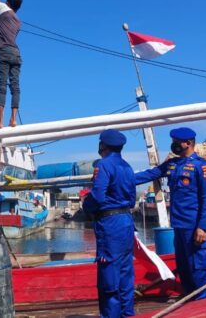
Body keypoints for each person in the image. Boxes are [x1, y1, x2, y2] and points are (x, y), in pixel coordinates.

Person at [135, 127, 206, 300]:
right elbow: (151, 174)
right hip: (178, 226)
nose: (173, 145)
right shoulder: (172, 164)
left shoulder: (202, 167)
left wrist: (203, 227)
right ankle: (190, 298)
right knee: (184, 265)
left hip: (194, 226)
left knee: (200, 266)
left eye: (177, 142)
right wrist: (122, 178)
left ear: (188, 143)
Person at [82, 129, 136, 318]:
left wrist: (85, 205)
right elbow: (132, 199)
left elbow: (97, 196)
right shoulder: (128, 167)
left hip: (110, 224)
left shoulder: (104, 165)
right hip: (126, 221)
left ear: (102, 145)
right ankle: (127, 314)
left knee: (109, 277)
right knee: (125, 273)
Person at [0, 0, 23, 128]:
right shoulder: (18, 21)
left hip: (3, 51)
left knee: (1, 86)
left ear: (8, 2)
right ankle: (13, 120)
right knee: (15, 87)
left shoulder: (4, 8)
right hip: (16, 53)